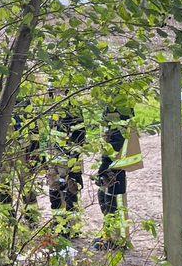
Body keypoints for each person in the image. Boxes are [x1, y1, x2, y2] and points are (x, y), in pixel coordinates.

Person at [93, 106, 143, 251]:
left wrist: (106, 163)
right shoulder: (113, 102)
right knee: (105, 197)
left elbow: (116, 138)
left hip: (115, 162)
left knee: (115, 200)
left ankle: (119, 240)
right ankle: (108, 235)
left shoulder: (118, 105)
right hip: (112, 161)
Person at [46, 89, 85, 238]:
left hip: (69, 162)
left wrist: (72, 165)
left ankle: (73, 228)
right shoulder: (54, 109)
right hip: (54, 162)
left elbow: (79, 137)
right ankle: (59, 225)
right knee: (54, 194)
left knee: (71, 193)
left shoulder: (73, 110)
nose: (52, 93)